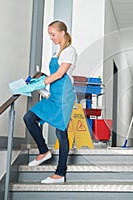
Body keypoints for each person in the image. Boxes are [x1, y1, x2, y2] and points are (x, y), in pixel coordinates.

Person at [21, 20, 77, 183]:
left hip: (64, 96)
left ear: (62, 33)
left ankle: (60, 173)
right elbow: (53, 77)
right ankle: (44, 151)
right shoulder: (57, 52)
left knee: (61, 132)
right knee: (29, 118)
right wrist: (38, 83)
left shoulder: (69, 51)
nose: (51, 38)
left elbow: (60, 74)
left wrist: (41, 83)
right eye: (49, 35)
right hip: (54, 95)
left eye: (53, 34)